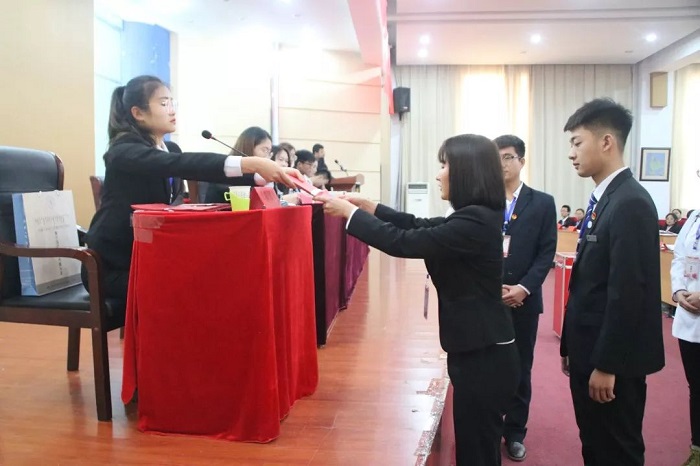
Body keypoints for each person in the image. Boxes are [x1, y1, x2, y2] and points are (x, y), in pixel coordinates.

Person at [319, 134, 519, 465]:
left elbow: (403, 242)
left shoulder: (475, 221)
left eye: (445, 166)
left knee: (477, 450)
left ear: (466, 172)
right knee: (474, 445)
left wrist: (350, 214)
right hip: (477, 348)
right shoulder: (475, 216)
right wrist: (370, 207)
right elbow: (417, 225)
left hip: (484, 355)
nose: (439, 174)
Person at [84, 76, 298, 313]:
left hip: (149, 256)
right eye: (163, 103)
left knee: (213, 272)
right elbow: (182, 164)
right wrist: (250, 163)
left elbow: (186, 165)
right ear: (138, 113)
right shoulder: (123, 150)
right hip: (111, 266)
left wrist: (262, 176)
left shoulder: (169, 148)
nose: (172, 109)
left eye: (172, 102)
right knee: (196, 286)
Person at [560, 98, 664, 465]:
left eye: (577, 142)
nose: (571, 153)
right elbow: (591, 284)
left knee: (617, 450)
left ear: (606, 141)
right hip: (590, 350)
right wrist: (572, 346)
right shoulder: (605, 199)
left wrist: (607, 365)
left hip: (611, 361)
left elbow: (628, 293)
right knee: (595, 443)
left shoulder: (630, 202)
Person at [494, 134, 557, 462]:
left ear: (521, 161)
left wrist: (524, 288)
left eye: (508, 157)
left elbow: (546, 253)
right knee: (490, 367)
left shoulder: (542, 203)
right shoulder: (483, 201)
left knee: (521, 367)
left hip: (525, 300)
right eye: (496, 158)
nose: (502, 164)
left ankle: (515, 432)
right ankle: (491, 428)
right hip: (490, 300)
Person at [671, 206, 700, 466]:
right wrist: (679, 290)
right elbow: (679, 256)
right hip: (689, 313)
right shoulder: (694, 217)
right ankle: (697, 449)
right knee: (697, 386)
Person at [204, 126, 273, 203]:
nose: (267, 157)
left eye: (269, 152)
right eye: (265, 150)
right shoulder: (227, 170)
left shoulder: (261, 176)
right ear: (249, 147)